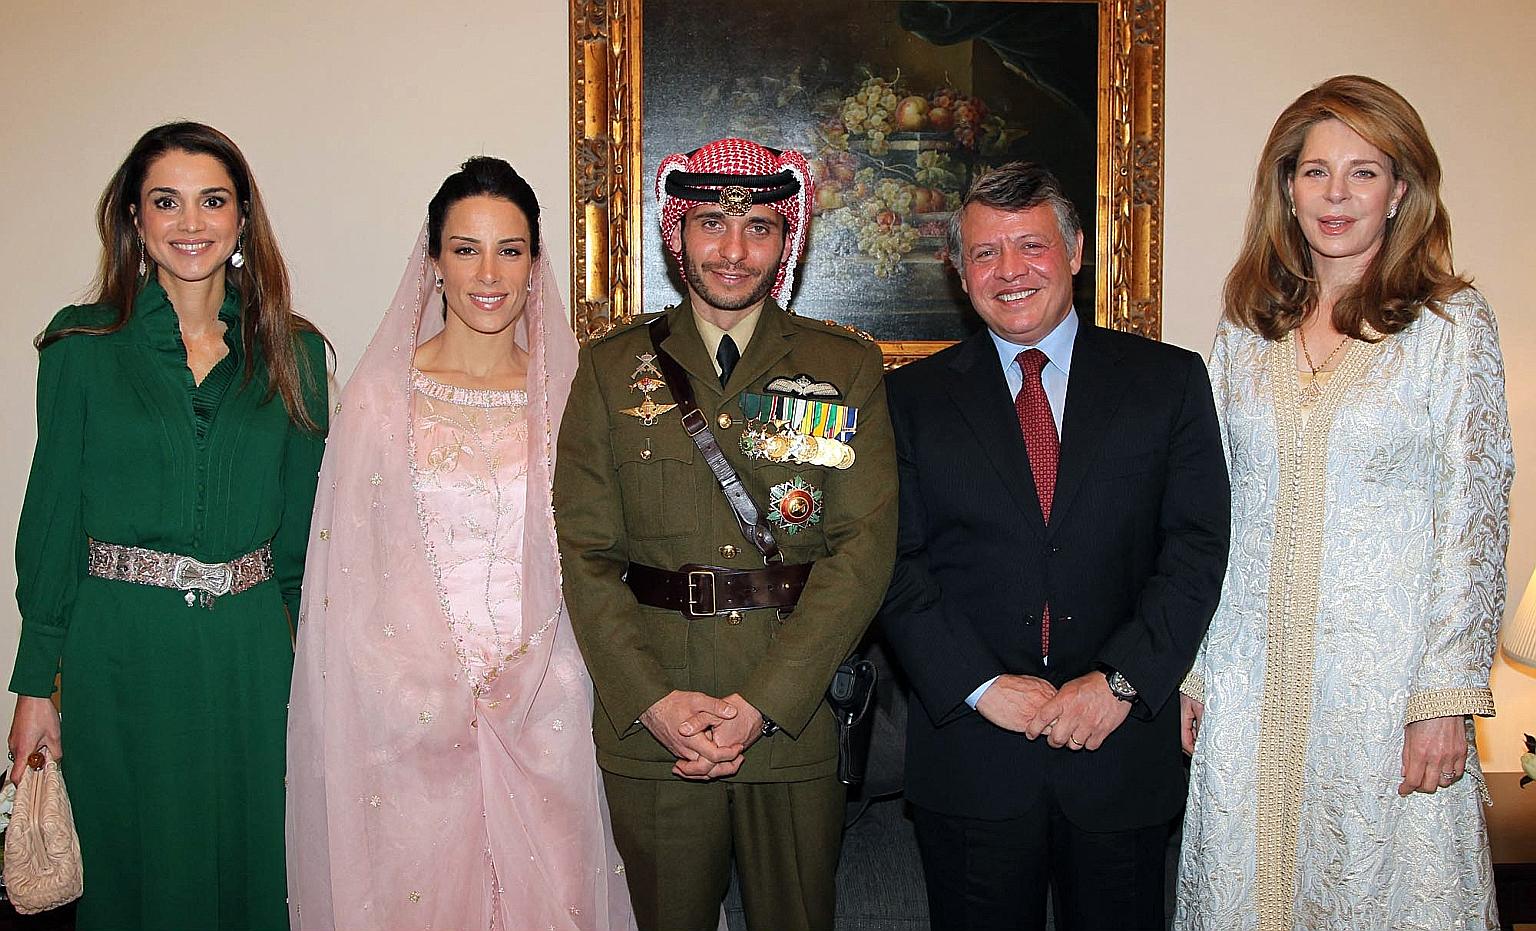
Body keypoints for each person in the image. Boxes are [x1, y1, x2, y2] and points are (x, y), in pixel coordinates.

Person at [1176, 75, 1515, 931]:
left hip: (1387, 692)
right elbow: (1214, 512)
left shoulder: (1451, 326)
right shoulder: (1244, 329)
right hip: (1250, 684)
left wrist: (1445, 695)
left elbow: (1474, 519)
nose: (1336, 194)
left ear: (1401, 191)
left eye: (1363, 172)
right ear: (1286, 189)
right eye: (1315, 171)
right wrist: (1199, 668)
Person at [553, 136, 897, 931]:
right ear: (677, 232)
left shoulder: (842, 366)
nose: (734, 251)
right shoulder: (611, 368)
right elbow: (585, 554)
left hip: (791, 719)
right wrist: (651, 701)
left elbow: (863, 549)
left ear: (786, 238)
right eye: (711, 223)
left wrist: (764, 703)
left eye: (759, 228)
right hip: (658, 728)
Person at [879, 161, 1230, 931]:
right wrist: (980, 685)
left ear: (1074, 251)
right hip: (972, 760)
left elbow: (1196, 549)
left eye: (1031, 245)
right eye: (985, 252)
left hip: (1118, 754)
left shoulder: (1168, 382)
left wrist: (1122, 682)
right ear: (959, 270)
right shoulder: (907, 399)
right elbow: (893, 564)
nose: (1010, 271)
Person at [285, 157, 633, 930]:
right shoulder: (380, 400)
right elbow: (350, 579)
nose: (488, 273)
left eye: (510, 250)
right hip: (411, 710)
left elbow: (597, 559)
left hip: (547, 704)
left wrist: (549, 678)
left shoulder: (571, 398)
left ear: (535, 263)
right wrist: (417, 688)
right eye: (466, 248)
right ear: (435, 260)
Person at [5, 121, 328, 930]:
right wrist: (35, 683)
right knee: (131, 872)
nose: (191, 222)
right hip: (119, 653)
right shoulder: (81, 345)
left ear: (242, 218)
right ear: (135, 219)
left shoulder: (294, 353)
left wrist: (317, 684)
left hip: (251, 659)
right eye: (166, 201)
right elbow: (51, 517)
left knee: (254, 870)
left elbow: (302, 550)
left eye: (212, 201)